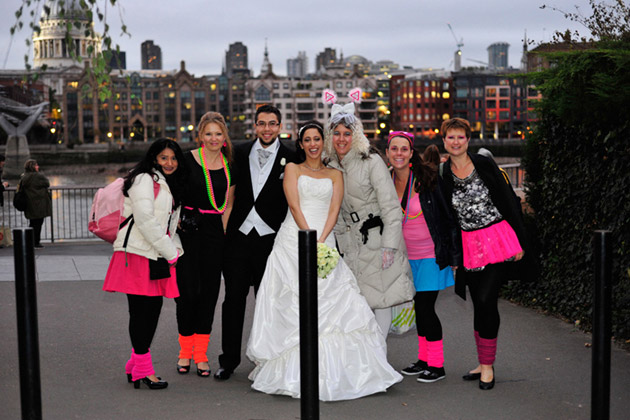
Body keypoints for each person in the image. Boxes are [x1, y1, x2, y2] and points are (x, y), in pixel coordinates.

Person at [246, 120, 402, 400]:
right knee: (288, 301)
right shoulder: (292, 169)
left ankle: (351, 371)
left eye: (317, 139)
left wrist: (321, 242)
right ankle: (288, 366)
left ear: (323, 141)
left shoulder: (335, 173)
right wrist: (307, 238)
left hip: (325, 239)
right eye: (307, 140)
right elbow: (294, 204)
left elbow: (334, 209)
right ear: (301, 144)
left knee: (336, 301)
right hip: (293, 238)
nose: (313, 144)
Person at [439, 118, 526, 390]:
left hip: (497, 238)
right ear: (444, 141)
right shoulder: (444, 172)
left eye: (460, 137)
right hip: (468, 245)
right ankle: (482, 361)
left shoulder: (484, 164)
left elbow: (508, 198)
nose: (455, 142)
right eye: (450, 137)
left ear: (468, 139)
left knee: (488, 298)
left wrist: (520, 240)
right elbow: (446, 217)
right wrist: (452, 256)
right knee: (478, 301)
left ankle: (488, 367)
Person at [215, 104, 296, 380]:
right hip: (237, 239)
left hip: (270, 241)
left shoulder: (292, 156)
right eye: (262, 123)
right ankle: (228, 361)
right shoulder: (237, 152)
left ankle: (267, 359)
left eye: (272, 123)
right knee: (233, 301)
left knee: (269, 303)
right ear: (255, 125)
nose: (267, 128)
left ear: (280, 126)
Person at [102, 138, 187, 390]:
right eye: (164, 158)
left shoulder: (165, 182)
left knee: (148, 311)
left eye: (173, 158)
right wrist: (171, 251)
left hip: (154, 254)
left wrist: (174, 248)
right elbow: (145, 219)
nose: (169, 163)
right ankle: (143, 369)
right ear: (153, 158)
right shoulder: (143, 179)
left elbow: (165, 224)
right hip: (137, 254)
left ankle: (135, 364)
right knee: (143, 313)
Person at [325, 102, 415, 340]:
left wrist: (390, 245)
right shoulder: (329, 164)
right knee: (359, 301)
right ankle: (368, 358)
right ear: (330, 135)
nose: (342, 139)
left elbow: (391, 208)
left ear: (356, 135)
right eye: (337, 133)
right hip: (348, 242)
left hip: (376, 237)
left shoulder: (371, 161)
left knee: (381, 299)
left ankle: (379, 355)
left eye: (347, 133)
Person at [386, 131, 460, 383]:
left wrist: (454, 254)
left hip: (430, 255)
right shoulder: (385, 180)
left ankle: (437, 365)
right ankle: (424, 359)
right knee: (419, 309)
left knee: (426, 308)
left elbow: (448, 216)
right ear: (387, 153)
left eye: (403, 149)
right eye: (394, 149)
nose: (398, 153)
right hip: (405, 258)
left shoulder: (427, 178)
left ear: (410, 153)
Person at [174, 112, 236, 377]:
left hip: (214, 234)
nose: (213, 138)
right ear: (200, 135)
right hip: (189, 231)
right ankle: (184, 352)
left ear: (224, 138)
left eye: (218, 134)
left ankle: (200, 354)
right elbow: (171, 191)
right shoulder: (187, 161)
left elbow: (229, 203)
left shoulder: (229, 164)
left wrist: (223, 231)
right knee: (187, 293)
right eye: (208, 133)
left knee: (210, 293)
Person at [19, 159, 52, 248]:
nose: (38, 166)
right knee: (38, 224)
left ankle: (29, 242)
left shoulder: (24, 177)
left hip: (29, 203)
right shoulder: (38, 176)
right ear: (33, 167)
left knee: (32, 223)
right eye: (36, 165)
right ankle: (36, 242)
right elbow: (47, 183)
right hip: (39, 203)